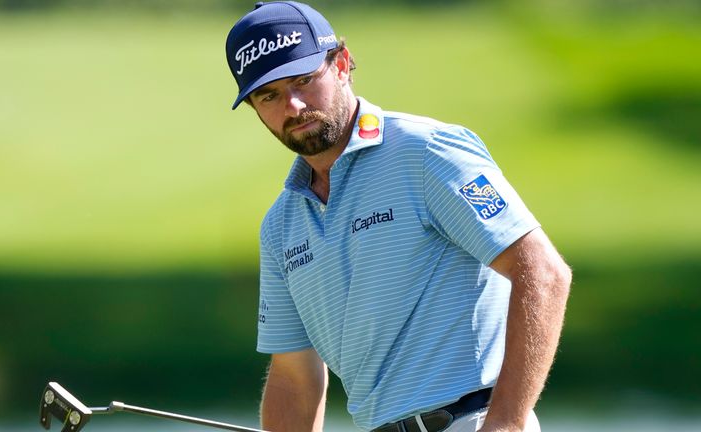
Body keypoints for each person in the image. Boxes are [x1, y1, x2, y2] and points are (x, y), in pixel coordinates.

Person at [225, 2, 572, 431]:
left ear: (343, 64)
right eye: (269, 95)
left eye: (303, 80)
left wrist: (507, 423)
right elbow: (294, 377)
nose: (293, 107)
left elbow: (541, 272)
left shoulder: (427, 152)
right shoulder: (281, 225)